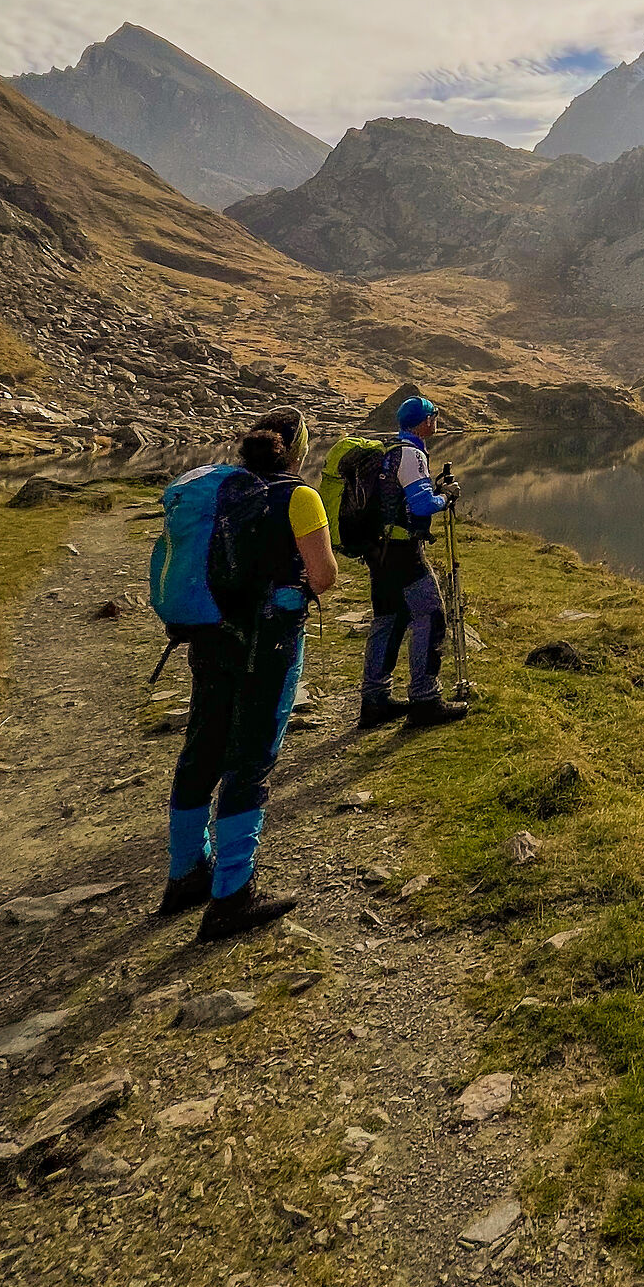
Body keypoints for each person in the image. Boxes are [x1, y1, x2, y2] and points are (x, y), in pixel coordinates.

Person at [161, 406, 337, 939]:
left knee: (204, 743)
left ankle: (186, 873)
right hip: (269, 640)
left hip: (211, 636)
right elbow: (324, 575)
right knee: (252, 754)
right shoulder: (298, 496)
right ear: (297, 447)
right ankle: (232, 895)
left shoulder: (221, 492)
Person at [357, 393, 469, 730]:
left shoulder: (390, 451)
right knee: (430, 614)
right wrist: (446, 496)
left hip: (379, 550)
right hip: (404, 553)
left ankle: (374, 699)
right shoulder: (412, 453)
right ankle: (425, 699)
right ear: (424, 422)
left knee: (388, 618)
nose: (436, 421)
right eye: (434, 416)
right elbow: (421, 506)